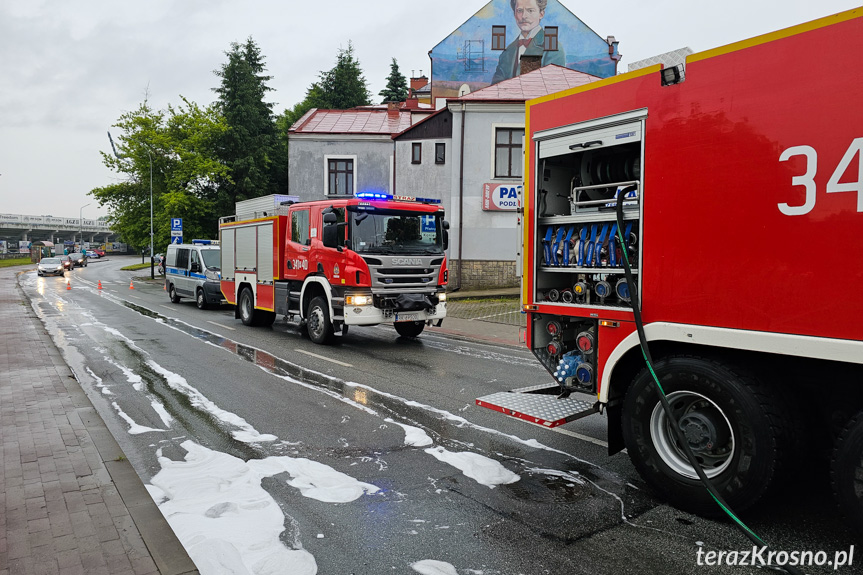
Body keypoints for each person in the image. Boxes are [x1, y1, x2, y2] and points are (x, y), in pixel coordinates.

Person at [491, 0, 566, 85]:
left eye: (530, 10)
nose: (524, 16)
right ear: (514, 14)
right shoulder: (507, 51)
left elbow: (554, 87)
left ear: (541, 14)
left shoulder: (553, 47)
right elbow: (495, 86)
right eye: (519, 10)